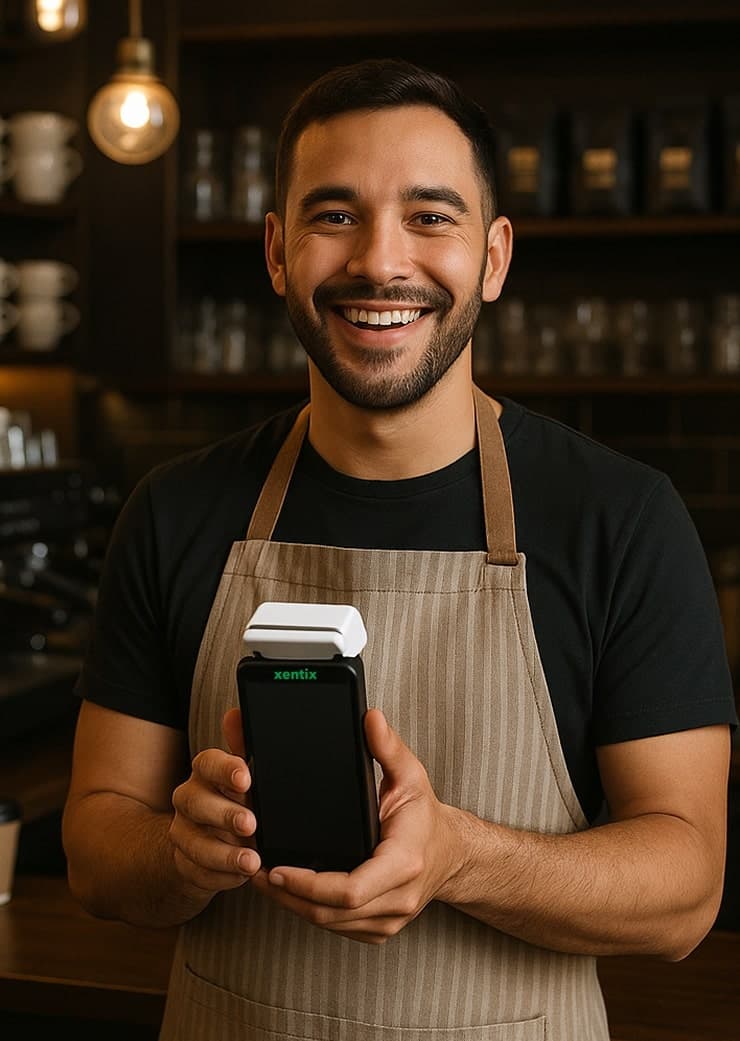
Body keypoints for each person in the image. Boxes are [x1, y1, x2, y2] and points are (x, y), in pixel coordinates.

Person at [62, 59, 737, 1041]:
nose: (380, 261)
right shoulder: (175, 510)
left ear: (493, 257)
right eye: (333, 214)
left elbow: (684, 891)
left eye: (430, 217)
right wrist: (179, 852)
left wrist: (459, 858)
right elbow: (93, 844)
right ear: (277, 253)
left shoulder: (619, 519)